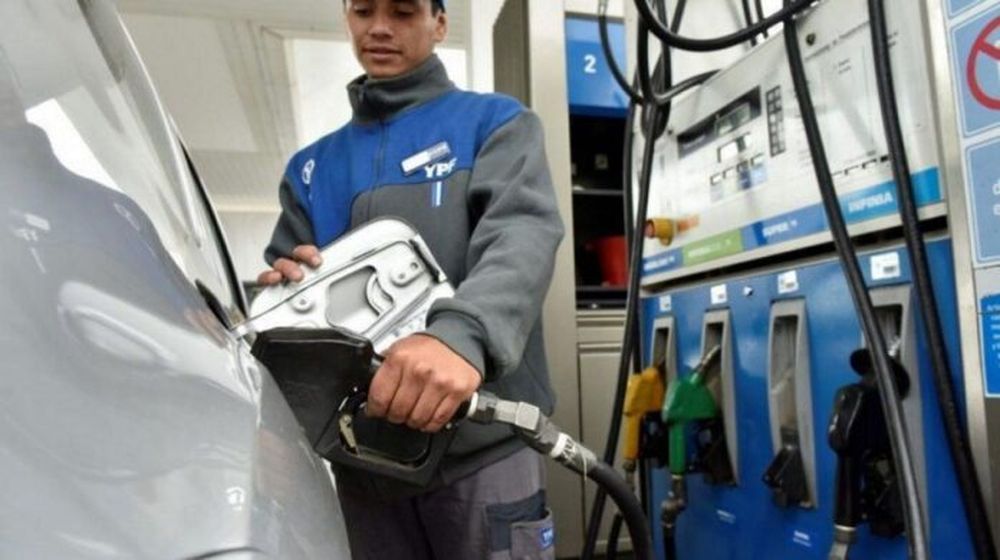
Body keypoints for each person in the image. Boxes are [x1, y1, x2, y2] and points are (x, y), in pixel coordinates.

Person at [257, 0, 564, 557]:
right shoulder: (311, 169)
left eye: (402, 11)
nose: (379, 28)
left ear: (439, 24)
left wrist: (460, 338)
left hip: (481, 450)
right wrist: (284, 289)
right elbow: (281, 307)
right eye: (363, 10)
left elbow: (521, 236)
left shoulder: (495, 123)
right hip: (363, 463)